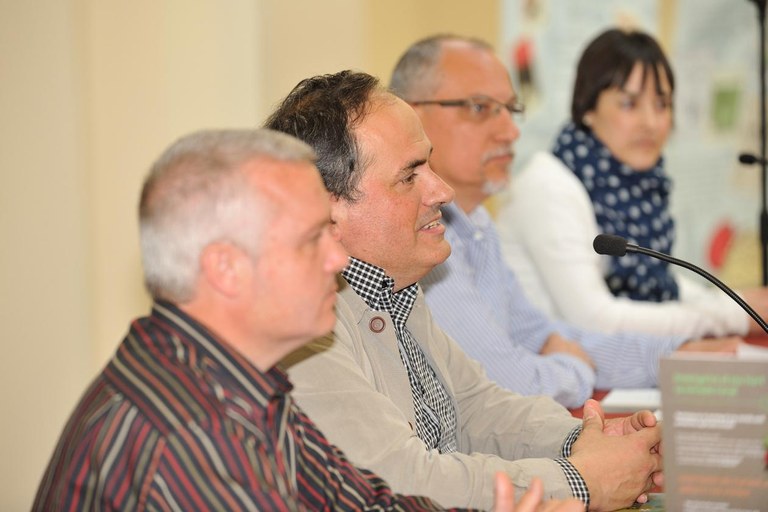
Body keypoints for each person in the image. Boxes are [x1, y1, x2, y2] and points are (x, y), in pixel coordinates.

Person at [32, 128, 567, 511]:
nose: (338, 260)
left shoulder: (240, 384)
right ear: (226, 268)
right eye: (313, 239)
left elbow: (370, 501)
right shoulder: (190, 434)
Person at [266, 70, 662, 511]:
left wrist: (592, 440)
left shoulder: (394, 287)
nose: (443, 191)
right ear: (329, 208)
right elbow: (402, 479)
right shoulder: (299, 321)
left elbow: (476, 408)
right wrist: (582, 480)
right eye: (410, 176)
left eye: (429, 165)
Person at [388, 34, 740, 410]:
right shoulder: (416, 235)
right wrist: (575, 367)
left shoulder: (475, 222)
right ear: (412, 116)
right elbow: (509, 384)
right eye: (480, 108)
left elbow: (540, 333)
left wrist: (671, 355)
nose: (511, 132)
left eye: (511, 109)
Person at [495, 28, 768, 339]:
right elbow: (598, 320)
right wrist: (732, 315)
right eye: (629, 103)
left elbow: (660, 283)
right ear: (587, 109)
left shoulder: (639, 189)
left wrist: (740, 303)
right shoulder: (547, 186)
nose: (651, 123)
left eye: (662, 104)